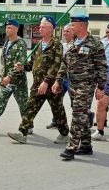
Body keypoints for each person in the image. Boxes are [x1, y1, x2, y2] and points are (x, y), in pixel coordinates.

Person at [52, 9, 107, 160]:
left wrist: (101, 88)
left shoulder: (95, 44)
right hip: (72, 85)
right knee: (81, 114)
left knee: (78, 114)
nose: (71, 27)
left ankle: (71, 147)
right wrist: (58, 80)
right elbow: (64, 64)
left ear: (81, 25)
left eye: (73, 24)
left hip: (86, 86)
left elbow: (102, 67)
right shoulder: (72, 43)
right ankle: (86, 145)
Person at [7, 16, 69, 144]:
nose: (39, 28)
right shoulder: (39, 44)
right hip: (37, 84)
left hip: (51, 85)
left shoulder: (56, 45)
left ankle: (64, 134)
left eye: (43, 26)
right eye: (40, 26)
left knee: (57, 111)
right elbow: (32, 64)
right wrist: (22, 67)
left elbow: (55, 66)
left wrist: (46, 82)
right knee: (30, 108)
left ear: (51, 29)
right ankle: (22, 133)